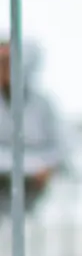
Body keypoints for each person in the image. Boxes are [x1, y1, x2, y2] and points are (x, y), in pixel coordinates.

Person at [0, 33, 68, 213]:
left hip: (37, 201)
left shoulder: (44, 104)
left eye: (8, 62)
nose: (4, 68)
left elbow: (63, 148)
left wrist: (45, 166)